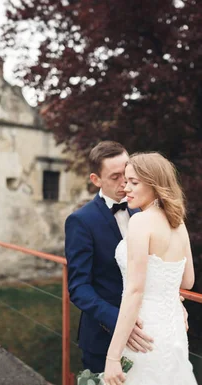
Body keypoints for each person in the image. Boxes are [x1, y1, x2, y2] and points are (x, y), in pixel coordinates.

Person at [104, 152, 202, 385]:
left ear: (156, 184)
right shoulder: (178, 222)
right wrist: (169, 296)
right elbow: (187, 281)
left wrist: (113, 356)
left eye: (134, 182)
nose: (126, 188)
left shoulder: (141, 222)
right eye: (126, 181)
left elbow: (135, 291)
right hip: (173, 332)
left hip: (143, 333)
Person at [65, 141, 155, 373]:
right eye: (115, 176)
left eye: (127, 171)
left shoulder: (144, 211)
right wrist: (120, 321)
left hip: (147, 330)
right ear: (96, 180)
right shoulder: (81, 221)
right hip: (103, 337)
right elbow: (78, 287)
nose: (125, 181)